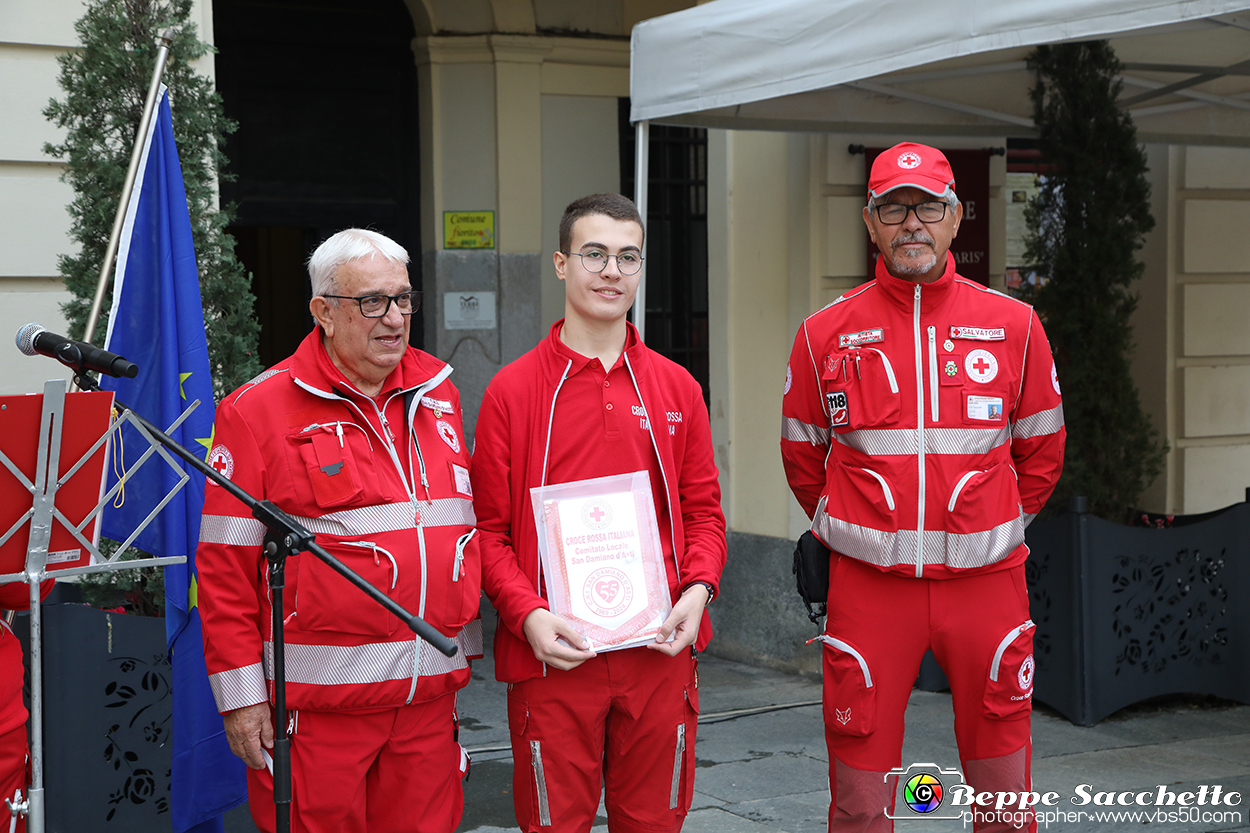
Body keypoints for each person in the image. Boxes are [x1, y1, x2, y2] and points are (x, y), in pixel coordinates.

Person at [781, 143, 1065, 833]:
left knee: (1003, 795)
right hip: (869, 590)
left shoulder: (1017, 325)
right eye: (893, 207)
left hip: (986, 585)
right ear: (869, 222)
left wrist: (991, 524)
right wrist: (856, 529)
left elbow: (1043, 450)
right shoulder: (824, 332)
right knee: (860, 798)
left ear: (955, 217)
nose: (912, 223)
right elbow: (802, 455)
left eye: (928, 206)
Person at [197, 228, 481, 833]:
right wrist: (243, 698)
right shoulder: (256, 412)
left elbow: (456, 533)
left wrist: (466, 652)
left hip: (428, 706)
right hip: (318, 716)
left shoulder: (440, 394)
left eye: (403, 299)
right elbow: (224, 571)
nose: (394, 319)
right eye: (371, 302)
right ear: (323, 312)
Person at [473, 193, 726, 833]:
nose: (612, 271)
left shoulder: (676, 387)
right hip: (554, 656)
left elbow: (704, 515)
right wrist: (525, 614)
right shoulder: (513, 391)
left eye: (627, 257)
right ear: (561, 264)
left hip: (660, 652)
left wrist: (699, 589)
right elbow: (488, 533)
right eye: (595, 254)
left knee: (654, 822)